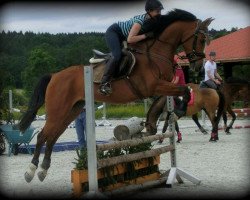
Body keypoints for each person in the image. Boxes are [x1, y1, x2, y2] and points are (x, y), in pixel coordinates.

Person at [99, 0, 164, 96]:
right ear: (149, 11)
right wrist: (146, 35)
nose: (159, 14)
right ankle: (104, 83)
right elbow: (130, 39)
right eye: (157, 11)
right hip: (114, 32)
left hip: (123, 36)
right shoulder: (139, 22)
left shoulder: (151, 20)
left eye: (160, 11)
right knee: (117, 55)